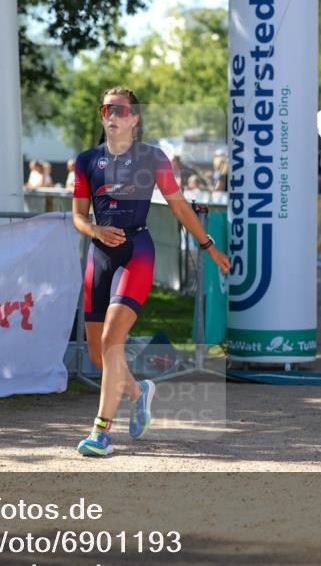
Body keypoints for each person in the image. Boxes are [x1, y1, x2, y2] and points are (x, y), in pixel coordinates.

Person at [71, 87, 230, 457]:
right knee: (98, 355)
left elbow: (179, 207)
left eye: (122, 110)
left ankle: (100, 433)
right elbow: (78, 215)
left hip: (136, 252)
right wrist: (94, 229)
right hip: (100, 256)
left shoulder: (153, 158)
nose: (114, 115)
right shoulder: (86, 161)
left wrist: (209, 247)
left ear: (135, 118)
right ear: (102, 115)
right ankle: (139, 392)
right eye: (108, 108)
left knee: (113, 339)